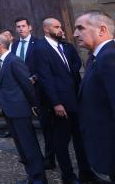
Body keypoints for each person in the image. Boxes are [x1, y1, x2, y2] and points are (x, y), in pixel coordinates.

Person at [34, 17, 94, 183]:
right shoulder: (40, 48)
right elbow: (45, 78)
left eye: (60, 26)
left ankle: (86, 172)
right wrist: (56, 103)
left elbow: (74, 67)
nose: (61, 29)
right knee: (61, 141)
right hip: (59, 104)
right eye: (56, 26)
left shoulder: (65, 46)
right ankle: (68, 176)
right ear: (46, 29)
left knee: (80, 138)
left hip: (75, 100)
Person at [0, 34, 46, 184]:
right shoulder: (1, 61)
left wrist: (33, 105)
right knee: (22, 146)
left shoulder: (14, 61)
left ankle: (39, 179)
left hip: (19, 110)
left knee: (29, 145)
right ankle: (32, 176)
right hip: (10, 110)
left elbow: (27, 85)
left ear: (0, 45)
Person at [73, 10, 115, 182]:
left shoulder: (110, 57)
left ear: (102, 30)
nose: (75, 34)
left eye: (80, 28)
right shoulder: (96, 57)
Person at [10, 18, 49, 166]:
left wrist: (35, 77)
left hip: (37, 89)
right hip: (20, 93)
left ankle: (49, 158)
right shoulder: (13, 46)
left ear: (30, 27)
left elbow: (44, 65)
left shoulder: (38, 44)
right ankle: (31, 157)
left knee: (45, 126)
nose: (21, 29)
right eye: (18, 26)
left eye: (23, 26)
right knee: (25, 128)